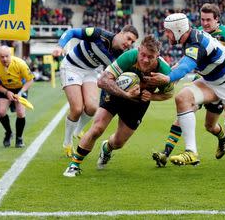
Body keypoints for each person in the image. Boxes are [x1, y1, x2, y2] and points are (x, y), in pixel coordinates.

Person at [145, 13, 225, 171]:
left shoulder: (196, 42)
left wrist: (167, 78)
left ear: (178, 30)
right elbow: (184, 63)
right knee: (182, 98)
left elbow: (186, 66)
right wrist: (172, 73)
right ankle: (191, 152)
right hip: (211, 81)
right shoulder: (190, 38)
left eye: (168, 31)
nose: (166, 34)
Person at [64, 35, 174, 177]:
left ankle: (107, 148)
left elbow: (169, 94)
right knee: (97, 128)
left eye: (150, 57)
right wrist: (125, 94)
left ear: (157, 56)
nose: (145, 60)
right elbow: (103, 81)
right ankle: (74, 165)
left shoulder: (164, 71)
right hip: (115, 94)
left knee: (118, 142)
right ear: (139, 49)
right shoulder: (129, 57)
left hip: (138, 103)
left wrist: (152, 96)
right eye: (143, 55)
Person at [52, 25, 138, 157]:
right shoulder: (98, 34)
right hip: (71, 67)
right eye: (128, 38)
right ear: (121, 33)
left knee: (92, 108)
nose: (129, 43)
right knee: (77, 109)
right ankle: (67, 143)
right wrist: (60, 46)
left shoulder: (120, 55)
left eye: (132, 42)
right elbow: (72, 32)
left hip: (90, 72)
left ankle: (78, 131)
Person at [0, 46, 34, 148]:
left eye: (6, 56)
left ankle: (19, 137)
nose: (4, 59)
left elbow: (30, 80)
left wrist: (21, 92)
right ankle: (8, 132)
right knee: (0, 112)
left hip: (20, 88)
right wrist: (6, 92)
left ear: (11, 55)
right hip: (4, 88)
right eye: (1, 57)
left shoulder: (20, 63)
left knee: (21, 112)